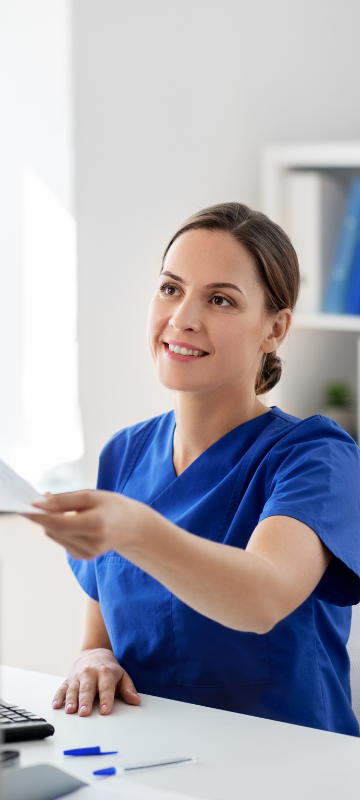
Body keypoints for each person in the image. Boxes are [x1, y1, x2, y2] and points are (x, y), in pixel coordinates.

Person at [27, 202, 360, 736]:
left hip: (290, 773)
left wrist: (138, 530)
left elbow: (262, 598)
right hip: (152, 763)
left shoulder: (316, 456)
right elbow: (99, 638)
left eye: (221, 300)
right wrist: (94, 661)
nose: (182, 317)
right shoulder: (125, 453)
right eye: (169, 288)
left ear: (274, 329)